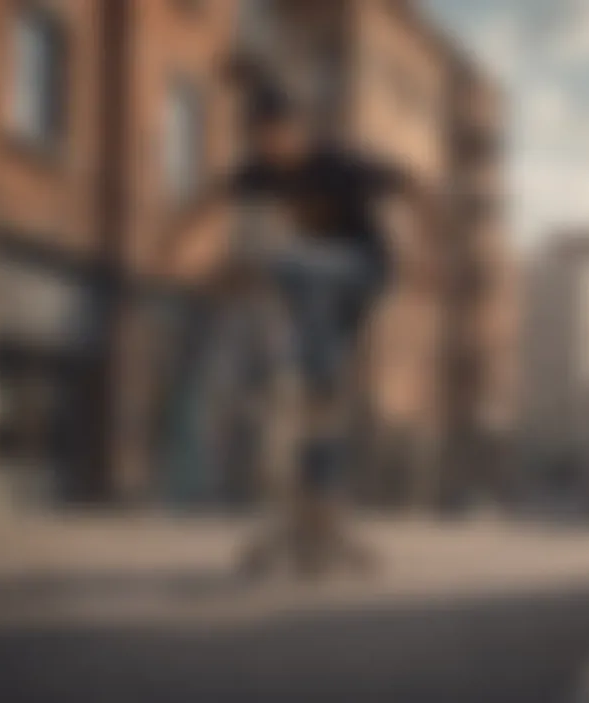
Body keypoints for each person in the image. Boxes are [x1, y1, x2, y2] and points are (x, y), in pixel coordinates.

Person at [166, 78, 426, 575]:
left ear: (297, 129)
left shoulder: (339, 164)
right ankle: (318, 489)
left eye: (278, 137)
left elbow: (412, 186)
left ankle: (313, 378)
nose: (272, 150)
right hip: (326, 302)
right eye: (262, 141)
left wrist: (428, 251)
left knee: (289, 265)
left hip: (364, 273)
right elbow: (210, 197)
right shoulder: (260, 170)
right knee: (319, 391)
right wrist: (171, 243)